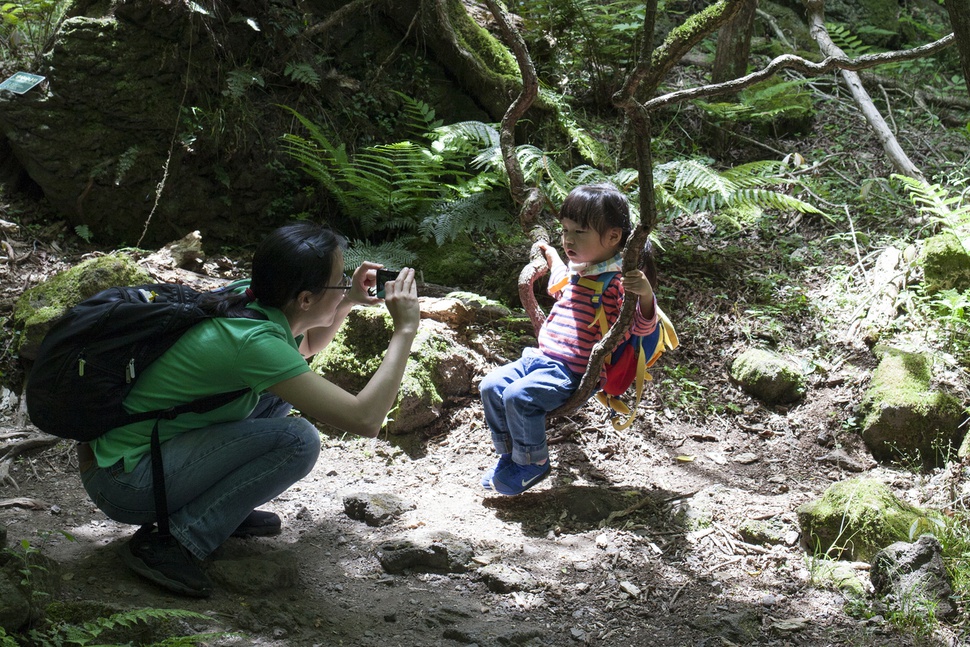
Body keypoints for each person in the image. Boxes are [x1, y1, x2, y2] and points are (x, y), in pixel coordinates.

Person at [78, 222, 420, 597]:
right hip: (125, 482)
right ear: (304, 299)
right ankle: (173, 539)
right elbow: (365, 419)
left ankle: (219, 508)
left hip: (129, 455)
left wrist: (350, 299)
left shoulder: (251, 298)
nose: (343, 288)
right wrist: (404, 331)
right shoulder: (253, 344)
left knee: (282, 393)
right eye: (339, 283)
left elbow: (305, 348)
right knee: (298, 440)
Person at [479, 184, 659, 496]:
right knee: (491, 386)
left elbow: (640, 326)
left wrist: (644, 295)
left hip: (570, 371)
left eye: (580, 232)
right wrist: (551, 257)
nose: (568, 239)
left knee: (518, 397)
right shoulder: (583, 270)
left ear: (614, 237)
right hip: (539, 359)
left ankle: (532, 462)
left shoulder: (617, 283)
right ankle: (510, 457)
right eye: (565, 230)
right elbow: (563, 284)